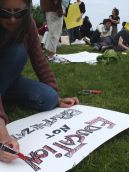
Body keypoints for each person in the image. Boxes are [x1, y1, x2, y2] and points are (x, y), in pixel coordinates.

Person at [0, 0, 79, 163]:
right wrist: (1, 131)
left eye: (19, 13)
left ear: (27, 10)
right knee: (17, 54)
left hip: (9, 81)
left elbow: (39, 60)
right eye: (5, 13)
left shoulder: (29, 25)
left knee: (48, 98)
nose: (13, 19)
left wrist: (56, 95)